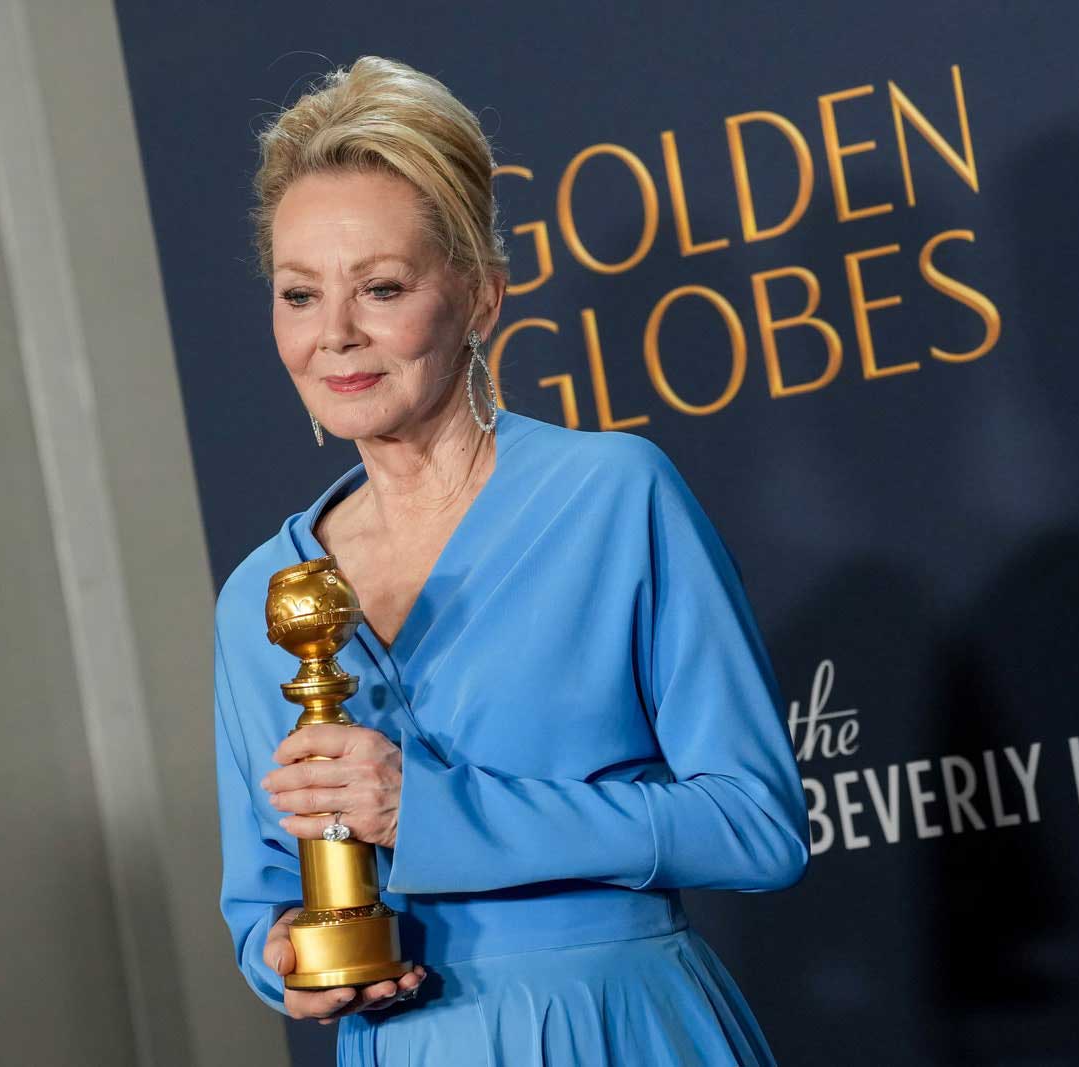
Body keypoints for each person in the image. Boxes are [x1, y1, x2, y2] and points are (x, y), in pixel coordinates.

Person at [212, 55, 809, 1066]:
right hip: (405, 1042)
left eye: (383, 287)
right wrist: (289, 959)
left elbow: (754, 824)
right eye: (300, 294)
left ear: (480, 298)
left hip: (618, 1024)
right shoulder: (259, 597)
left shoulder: (615, 494)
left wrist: (434, 811)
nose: (337, 336)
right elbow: (263, 895)